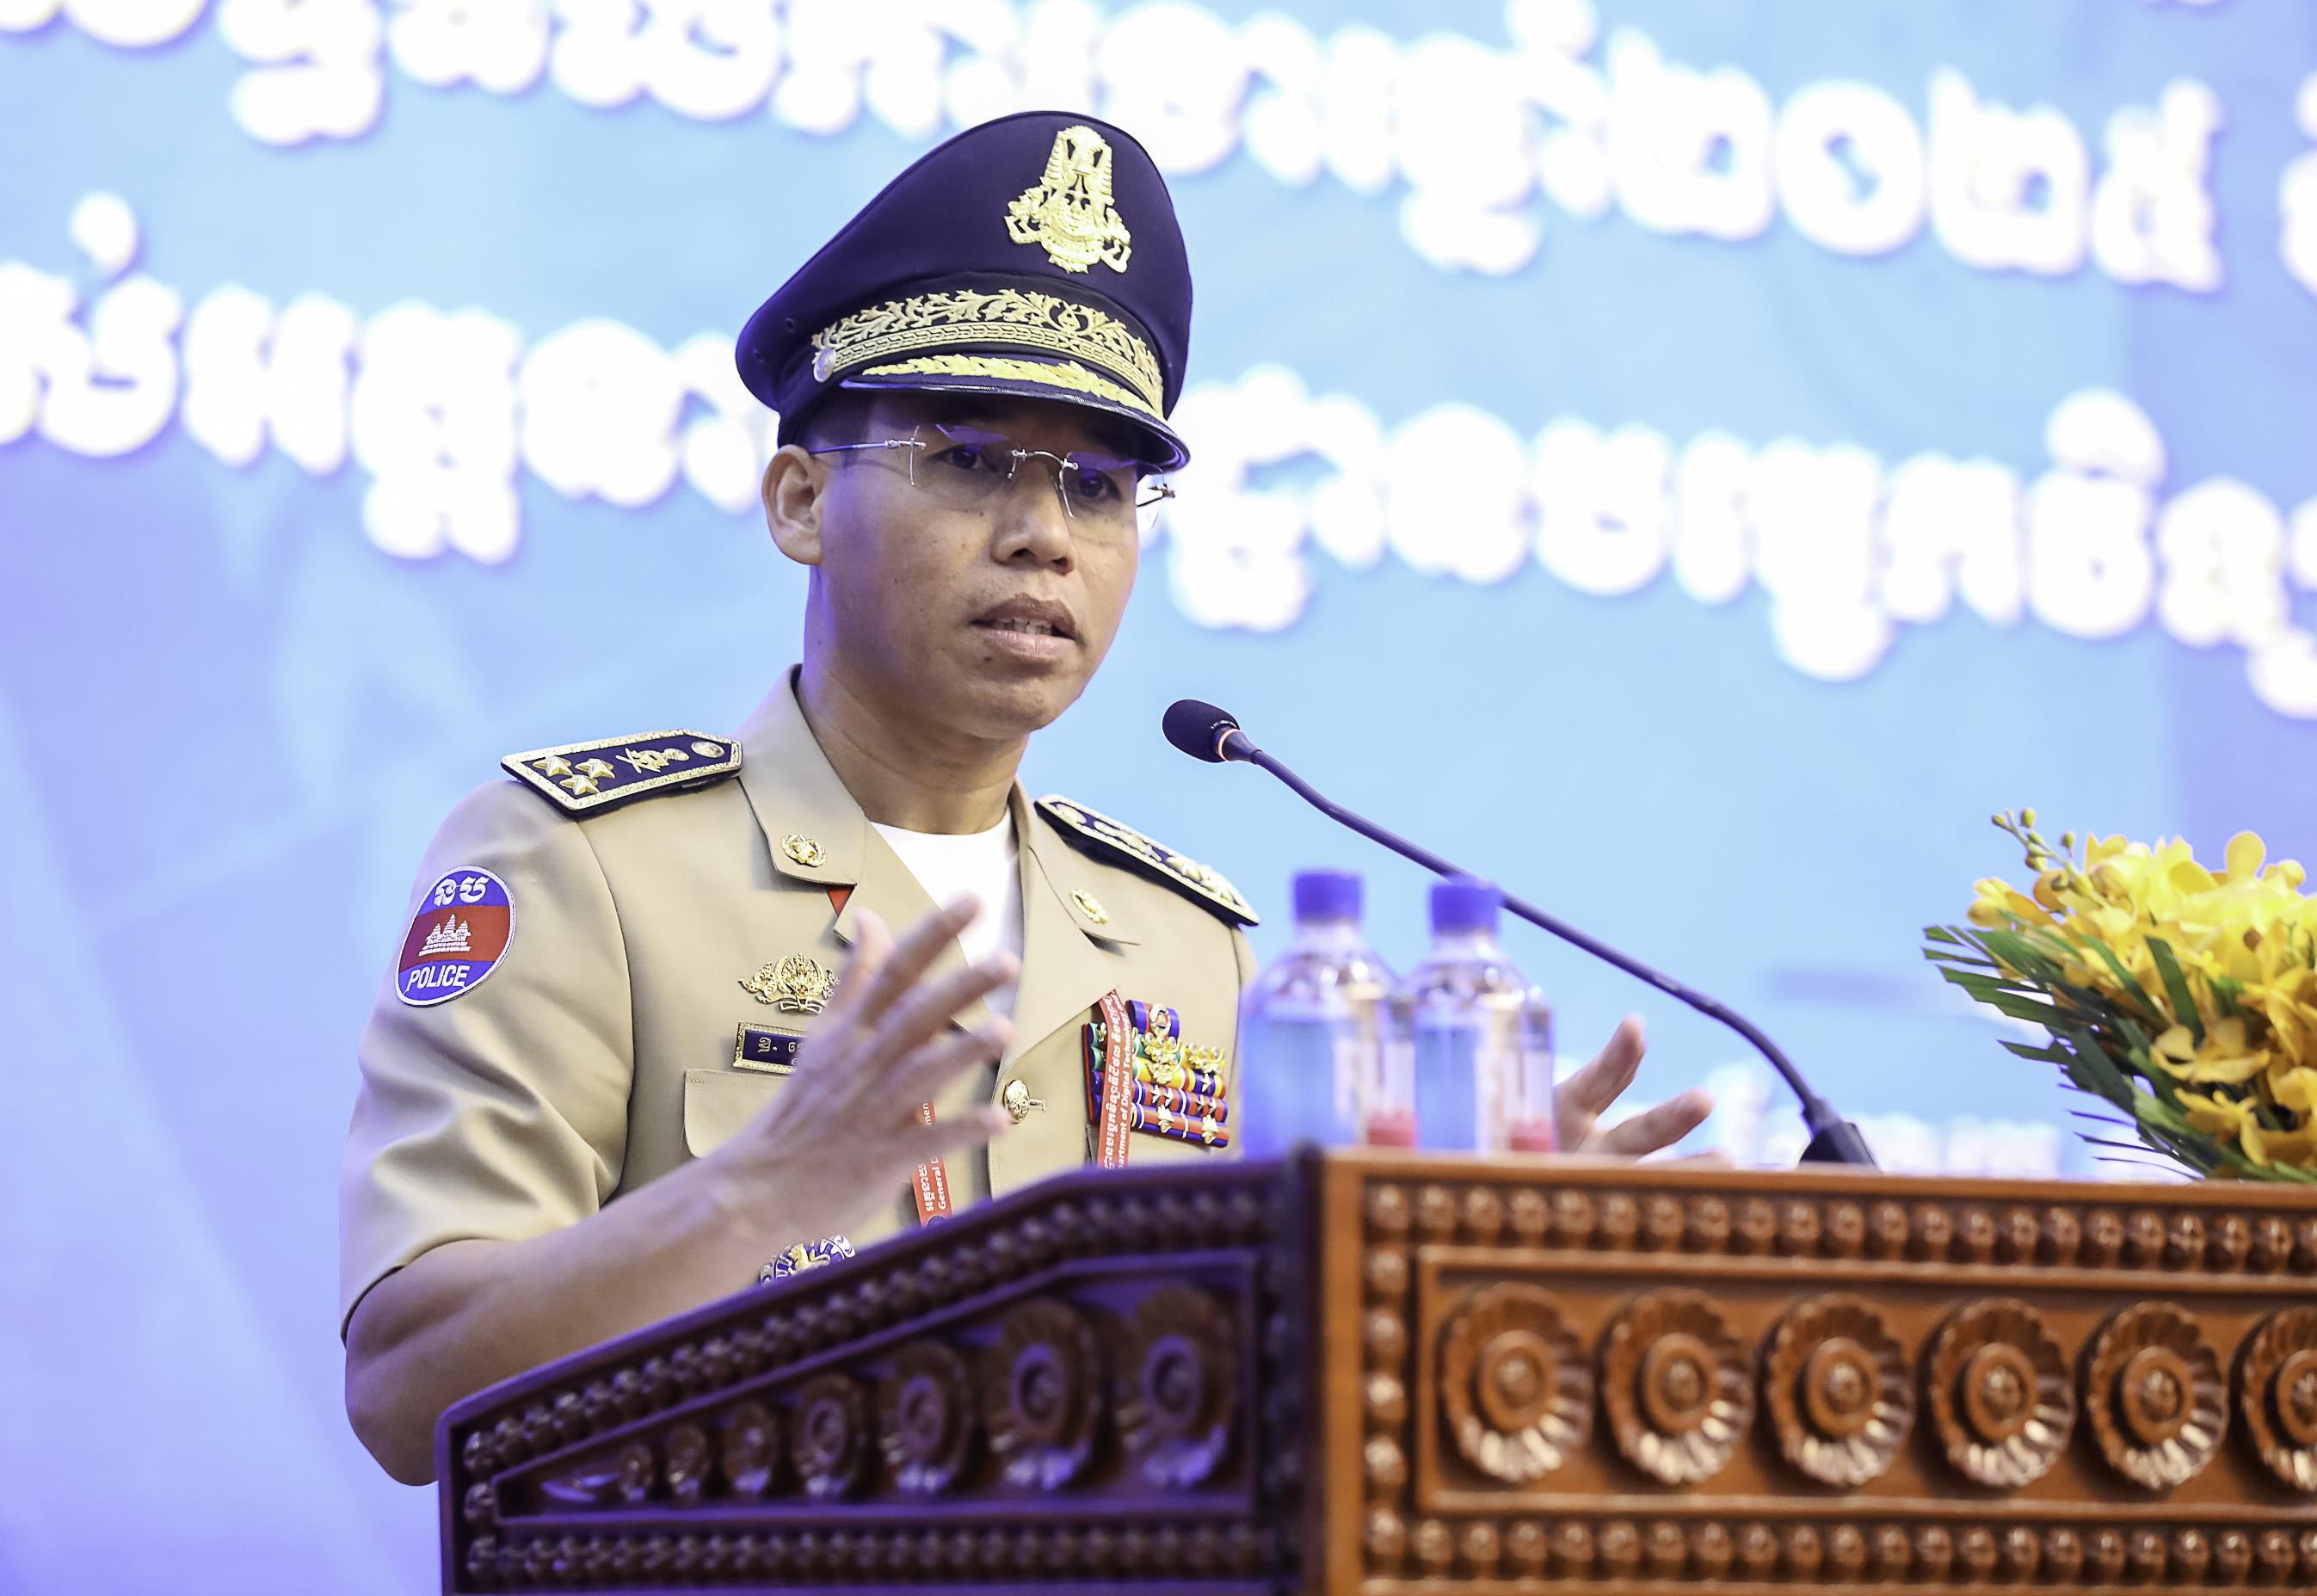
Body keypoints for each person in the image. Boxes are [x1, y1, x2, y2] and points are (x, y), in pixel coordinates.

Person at [338, 110, 1710, 1486]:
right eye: (971, 461)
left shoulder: (1187, 945)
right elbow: (407, 1385)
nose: (1044, 535)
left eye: (1100, 487)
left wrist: (1447, 1259)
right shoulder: (585, 867)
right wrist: (758, 1186)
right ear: (801, 502)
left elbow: (1254, 1399)